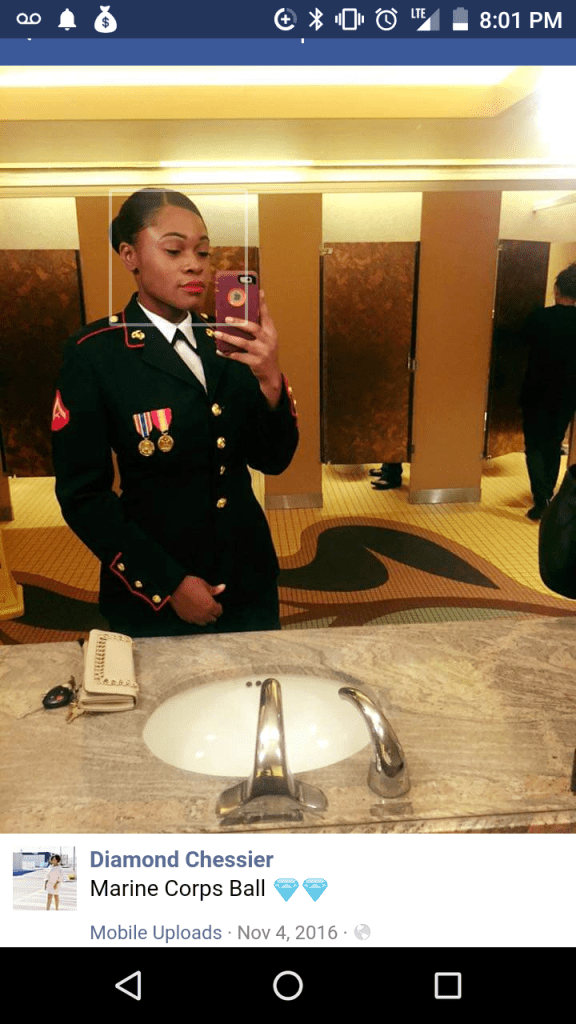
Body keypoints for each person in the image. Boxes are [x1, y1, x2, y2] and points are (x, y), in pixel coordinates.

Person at [52, 189, 298, 637]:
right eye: (173, 250)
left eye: (202, 251)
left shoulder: (227, 340)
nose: (194, 264)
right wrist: (167, 583)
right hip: (155, 589)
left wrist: (269, 380)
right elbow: (83, 495)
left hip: (247, 576)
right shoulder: (95, 354)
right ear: (130, 255)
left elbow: (273, 459)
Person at [520, 262, 576, 521]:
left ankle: (540, 497)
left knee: (534, 445)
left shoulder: (539, 318)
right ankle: (548, 494)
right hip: (567, 394)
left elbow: (520, 344)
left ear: (556, 290)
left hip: (535, 391)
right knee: (553, 444)